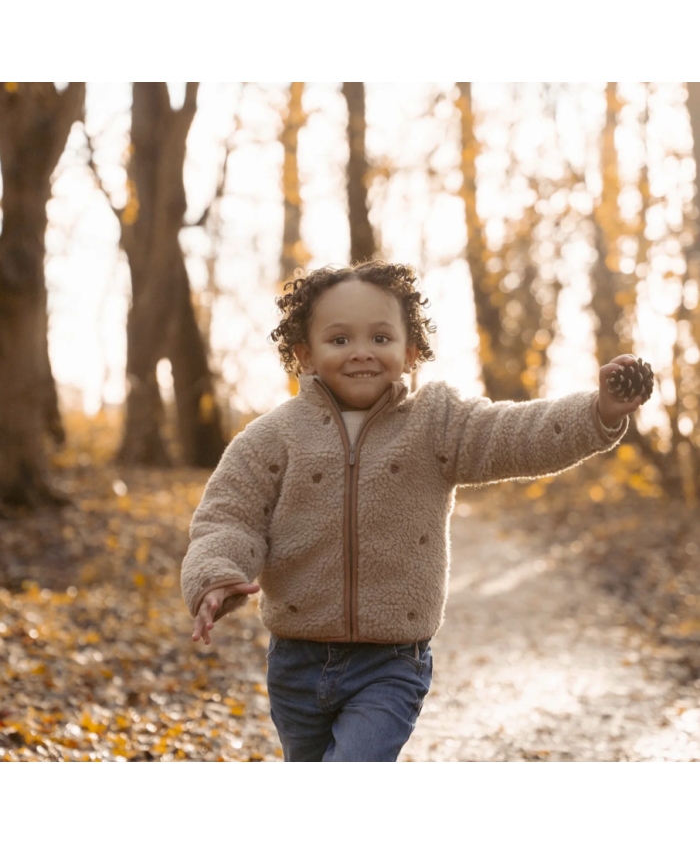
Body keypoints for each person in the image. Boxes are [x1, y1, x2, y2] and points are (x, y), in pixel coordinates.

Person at [180, 260, 642, 762]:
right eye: (340, 340)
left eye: (381, 338)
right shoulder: (272, 437)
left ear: (411, 352)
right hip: (296, 658)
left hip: (392, 661)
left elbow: (517, 435)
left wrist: (598, 412)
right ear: (305, 354)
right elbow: (230, 515)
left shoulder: (435, 423)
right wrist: (216, 574)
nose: (361, 352)